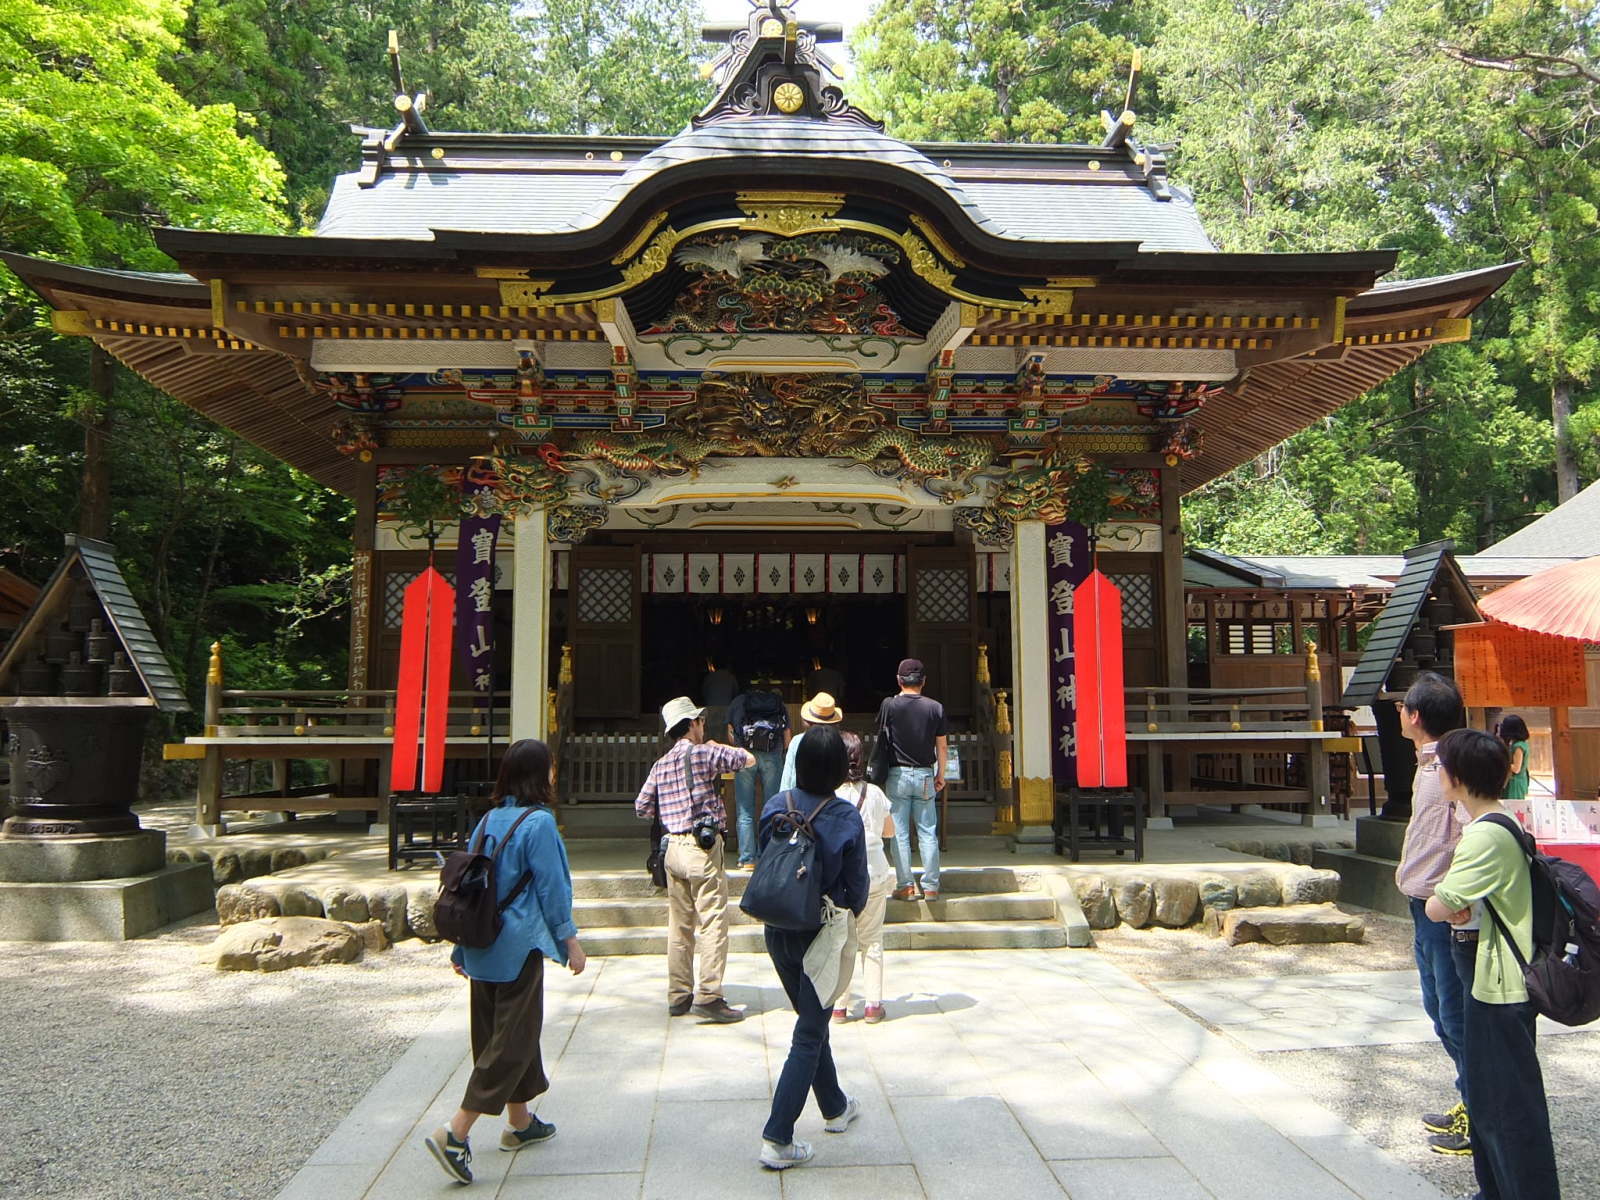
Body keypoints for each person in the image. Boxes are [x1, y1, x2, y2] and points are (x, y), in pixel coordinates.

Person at [424, 738, 585, 1186]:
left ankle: (519, 1121)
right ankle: (456, 1132)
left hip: (481, 940)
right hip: (518, 944)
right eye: (550, 767)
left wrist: (459, 946)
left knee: (498, 1031)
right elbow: (554, 889)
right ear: (540, 774)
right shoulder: (540, 824)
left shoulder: (489, 819)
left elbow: (466, 886)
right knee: (512, 1039)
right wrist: (570, 941)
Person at [1426, 728, 1562, 1200]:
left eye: (1442, 766)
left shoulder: (1484, 835)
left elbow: (1437, 905)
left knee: (1508, 1106)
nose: (1438, 773)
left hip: (1500, 984)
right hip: (1493, 975)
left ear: (1458, 776)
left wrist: (1447, 902)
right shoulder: (1501, 825)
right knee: (1490, 1100)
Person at [757, 725, 869, 1170]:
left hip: (777, 926)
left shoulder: (773, 806)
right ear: (840, 769)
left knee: (811, 1020)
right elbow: (857, 886)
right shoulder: (844, 816)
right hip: (821, 931)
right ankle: (777, 1137)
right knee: (808, 1033)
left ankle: (836, 1107)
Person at [634, 695, 754, 1023]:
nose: (703, 726)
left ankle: (678, 995)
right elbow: (747, 759)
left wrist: (671, 809)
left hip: (672, 848)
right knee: (713, 921)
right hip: (701, 849)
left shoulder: (661, 765)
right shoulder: (705, 752)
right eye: (700, 721)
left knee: (680, 924)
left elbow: (642, 806)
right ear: (693, 725)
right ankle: (710, 994)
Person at [1392, 671, 1472, 1156]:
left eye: (1403, 706)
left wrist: (1458, 897)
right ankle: (1470, 1099)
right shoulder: (1428, 763)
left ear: (1416, 716)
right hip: (1423, 903)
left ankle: (1480, 1114)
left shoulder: (1448, 767)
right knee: (1440, 1010)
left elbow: (1470, 830)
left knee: (1454, 1012)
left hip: (1443, 908)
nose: (1399, 713)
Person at [833, 730, 895, 1024]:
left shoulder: (830, 797)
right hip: (874, 872)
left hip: (841, 878)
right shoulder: (876, 794)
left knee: (842, 941)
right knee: (871, 940)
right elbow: (889, 831)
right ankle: (872, 1004)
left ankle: (839, 1005)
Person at [877, 658, 948, 902]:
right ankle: (930, 886)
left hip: (898, 774)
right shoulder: (935, 708)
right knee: (928, 831)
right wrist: (941, 774)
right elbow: (942, 745)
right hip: (926, 774)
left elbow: (882, 736)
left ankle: (906, 885)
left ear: (899, 680)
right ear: (924, 681)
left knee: (899, 833)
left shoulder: (890, 706)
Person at [727, 679, 790, 869]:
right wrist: (778, 752)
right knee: (772, 807)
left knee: (745, 809)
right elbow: (787, 736)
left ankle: (747, 858)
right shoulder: (778, 702)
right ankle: (769, 854)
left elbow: (730, 732)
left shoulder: (738, 702)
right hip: (772, 755)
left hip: (744, 756)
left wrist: (739, 748)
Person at [778, 691, 844, 793]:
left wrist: (785, 802)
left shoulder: (797, 741)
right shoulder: (839, 741)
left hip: (799, 802)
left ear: (808, 721)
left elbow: (787, 780)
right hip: (830, 801)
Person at [1498, 714, 1532, 801]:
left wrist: (1500, 762)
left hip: (1515, 784)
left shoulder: (1518, 747)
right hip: (1518, 781)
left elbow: (1516, 768)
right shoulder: (1522, 744)